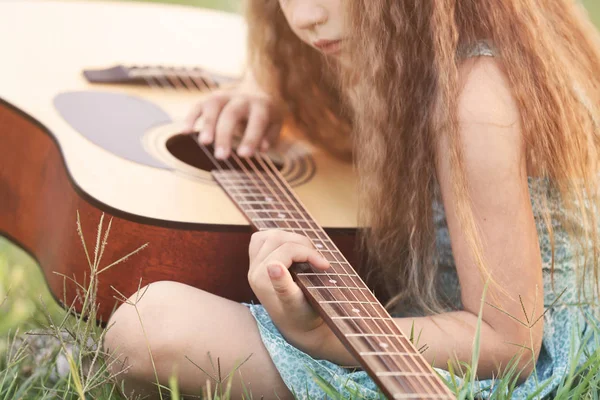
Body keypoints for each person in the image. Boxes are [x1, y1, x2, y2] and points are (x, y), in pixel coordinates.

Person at [102, 1, 600, 399]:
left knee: (149, 326)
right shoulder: (385, 42)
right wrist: (264, 87)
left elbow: (509, 344)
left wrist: (323, 339)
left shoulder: (473, 98)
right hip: (417, 316)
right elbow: (283, 57)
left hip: (488, 373)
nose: (303, 16)